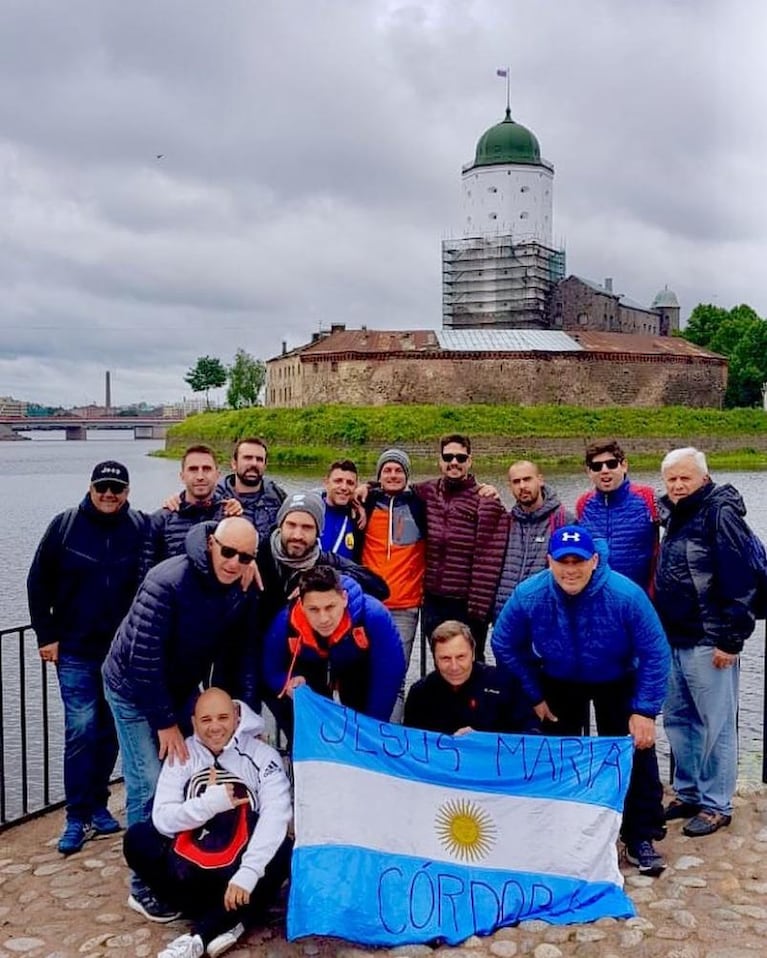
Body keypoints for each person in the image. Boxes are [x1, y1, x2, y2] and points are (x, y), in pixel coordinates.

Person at [103, 516, 262, 920]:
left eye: (245, 557)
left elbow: (242, 653)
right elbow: (143, 659)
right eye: (228, 552)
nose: (233, 562)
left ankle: (185, 855)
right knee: (149, 780)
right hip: (132, 687)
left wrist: (241, 712)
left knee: (199, 764)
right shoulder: (167, 581)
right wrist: (164, 722)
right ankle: (142, 884)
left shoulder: (241, 587)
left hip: (178, 685)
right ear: (212, 543)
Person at [492, 525, 670, 876]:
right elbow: (503, 642)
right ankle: (560, 829)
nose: (569, 569)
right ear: (549, 562)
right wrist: (534, 693)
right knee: (556, 756)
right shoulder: (530, 594)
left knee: (636, 750)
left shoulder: (625, 595)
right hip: (558, 679)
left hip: (615, 676)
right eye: (562, 561)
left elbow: (656, 652)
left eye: (578, 561)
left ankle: (639, 836)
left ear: (594, 560)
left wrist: (644, 710)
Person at [27, 460, 146, 855]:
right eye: (102, 488)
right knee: (80, 728)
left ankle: (97, 804)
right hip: (75, 649)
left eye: (116, 488)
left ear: (127, 492)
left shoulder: (139, 528)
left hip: (120, 653)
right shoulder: (65, 526)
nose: (109, 495)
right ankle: (76, 815)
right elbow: (37, 581)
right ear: (91, 488)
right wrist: (47, 636)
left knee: (111, 729)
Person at [123, 688, 292, 958]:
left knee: (284, 849)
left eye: (223, 717)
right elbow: (163, 818)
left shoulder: (263, 756)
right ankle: (235, 920)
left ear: (237, 717)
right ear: (194, 722)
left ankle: (199, 937)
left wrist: (249, 872)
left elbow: (277, 814)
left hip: (236, 876)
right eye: (206, 720)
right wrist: (209, 804)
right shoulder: (183, 752)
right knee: (138, 838)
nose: (215, 727)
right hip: (190, 869)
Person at [655, 447, 757, 837]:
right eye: (672, 479)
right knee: (680, 721)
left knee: (717, 725)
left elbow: (739, 579)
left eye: (686, 478)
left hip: (708, 638)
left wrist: (730, 639)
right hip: (674, 637)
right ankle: (689, 791)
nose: (678, 485)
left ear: (703, 478)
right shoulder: (675, 514)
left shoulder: (720, 513)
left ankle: (717, 804)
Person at [263, 565, 406, 744]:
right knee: (307, 723)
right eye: (313, 609)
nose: (323, 619)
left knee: (365, 726)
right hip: (310, 671)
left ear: (344, 599)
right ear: (301, 604)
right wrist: (286, 683)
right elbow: (270, 670)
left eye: (330, 607)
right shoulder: (286, 622)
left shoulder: (373, 615)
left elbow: (390, 675)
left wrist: (371, 730)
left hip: (358, 669)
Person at [411, 434, 506, 661]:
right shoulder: (427, 491)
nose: (454, 462)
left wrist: (478, 612)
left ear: (469, 461)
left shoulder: (485, 500)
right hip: (434, 601)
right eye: (448, 457)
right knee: (442, 662)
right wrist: (369, 487)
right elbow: (394, 488)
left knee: (471, 663)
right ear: (440, 461)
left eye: (460, 457)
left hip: (468, 604)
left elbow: (490, 557)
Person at [359, 448, 427, 721]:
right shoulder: (365, 503)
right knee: (361, 677)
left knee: (395, 679)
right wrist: (363, 488)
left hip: (405, 607)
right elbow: (330, 492)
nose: (393, 474)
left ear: (407, 475)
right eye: (387, 470)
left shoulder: (420, 505)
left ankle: (390, 740)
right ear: (378, 475)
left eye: (398, 470)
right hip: (367, 606)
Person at [257, 491, 388, 625]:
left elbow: (380, 588)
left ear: (318, 533)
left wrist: (327, 580)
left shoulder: (324, 562)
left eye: (307, 527)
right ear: (281, 526)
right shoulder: (255, 556)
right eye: (291, 525)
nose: (297, 535)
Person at [404, 620, 538, 735]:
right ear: (434, 659)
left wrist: (481, 740)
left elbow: (531, 733)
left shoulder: (503, 683)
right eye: (445, 659)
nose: (454, 666)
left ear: (473, 653)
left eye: (461, 657)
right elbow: (411, 745)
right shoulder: (420, 693)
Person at [487, 459, 574, 620]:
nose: (522, 486)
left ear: (540, 480)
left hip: (545, 620)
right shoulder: (506, 522)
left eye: (527, 479)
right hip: (507, 618)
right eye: (516, 482)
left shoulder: (564, 521)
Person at [143, 445, 240, 577]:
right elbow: (147, 573)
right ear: (182, 476)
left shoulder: (231, 516)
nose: (200, 476)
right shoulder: (160, 520)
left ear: (217, 475)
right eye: (193, 469)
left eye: (206, 469)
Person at [576, 439, 659, 591]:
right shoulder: (583, 504)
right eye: (597, 466)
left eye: (611, 464)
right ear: (589, 472)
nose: (605, 470)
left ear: (624, 465)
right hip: (597, 598)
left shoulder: (648, 498)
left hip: (640, 597)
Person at [217, 437, 287, 541]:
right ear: (234, 463)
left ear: (265, 465)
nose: (254, 463)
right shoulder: (216, 498)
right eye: (247, 458)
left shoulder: (278, 496)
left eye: (259, 459)